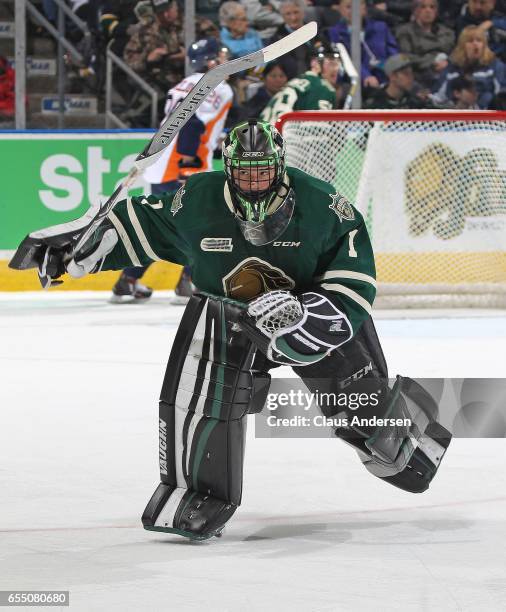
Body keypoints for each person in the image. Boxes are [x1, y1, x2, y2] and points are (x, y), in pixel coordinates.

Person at [12, 120, 452, 540]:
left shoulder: (323, 205)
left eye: (262, 173)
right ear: (229, 170)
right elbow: (142, 221)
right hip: (230, 316)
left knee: (377, 434)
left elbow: (354, 282)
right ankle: (199, 495)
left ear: (280, 169)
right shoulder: (198, 199)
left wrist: (308, 318)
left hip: (312, 311)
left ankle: (413, 442)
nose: (254, 182)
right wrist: (86, 239)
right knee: (199, 403)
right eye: (245, 173)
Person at [111, 37, 234, 304]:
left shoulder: (183, 83)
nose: (225, 59)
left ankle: (128, 280)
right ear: (209, 61)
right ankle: (188, 282)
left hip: (161, 164)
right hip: (183, 167)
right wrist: (188, 164)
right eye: (220, 55)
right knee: (204, 227)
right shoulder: (219, 86)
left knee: (164, 229)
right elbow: (191, 125)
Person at [260, 42, 342, 124]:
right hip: (282, 133)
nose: (336, 68)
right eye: (331, 63)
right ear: (314, 63)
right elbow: (318, 130)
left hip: (265, 132)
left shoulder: (296, 81)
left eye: (337, 63)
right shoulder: (322, 87)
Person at [328, 0, 399, 90]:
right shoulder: (335, 33)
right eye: (348, 7)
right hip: (359, 83)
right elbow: (347, 60)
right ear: (340, 9)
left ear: (363, 7)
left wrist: (394, 73)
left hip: (388, 78)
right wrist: (366, 76)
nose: (353, 11)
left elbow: (394, 54)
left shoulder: (381, 27)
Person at [431, 25, 506, 109]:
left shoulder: (495, 66)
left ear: (484, 45)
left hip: (488, 116)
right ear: (463, 46)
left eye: (479, 41)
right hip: (456, 115)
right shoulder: (452, 67)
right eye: (470, 41)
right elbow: (439, 97)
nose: (475, 44)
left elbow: (501, 96)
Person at [123, 0, 185, 95]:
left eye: (168, 10)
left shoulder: (191, 24)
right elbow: (129, 58)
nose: (165, 15)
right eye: (161, 12)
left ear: (175, 7)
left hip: (189, 78)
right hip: (160, 81)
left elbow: (212, 45)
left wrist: (189, 56)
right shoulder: (144, 32)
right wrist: (147, 59)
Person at [396, 0, 455, 89]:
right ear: (415, 11)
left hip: (447, 70)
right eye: (423, 7)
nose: (428, 11)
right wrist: (432, 62)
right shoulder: (405, 32)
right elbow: (405, 56)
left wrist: (448, 62)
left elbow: (457, 53)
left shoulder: (447, 32)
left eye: (432, 7)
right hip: (420, 75)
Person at [365, 53, 435, 108]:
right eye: (406, 73)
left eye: (412, 73)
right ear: (393, 76)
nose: (411, 77)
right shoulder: (375, 105)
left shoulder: (415, 103)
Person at [268, 0, 313, 78]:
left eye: (296, 12)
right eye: (288, 14)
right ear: (282, 16)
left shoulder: (314, 31)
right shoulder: (276, 40)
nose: (293, 18)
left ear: (303, 13)